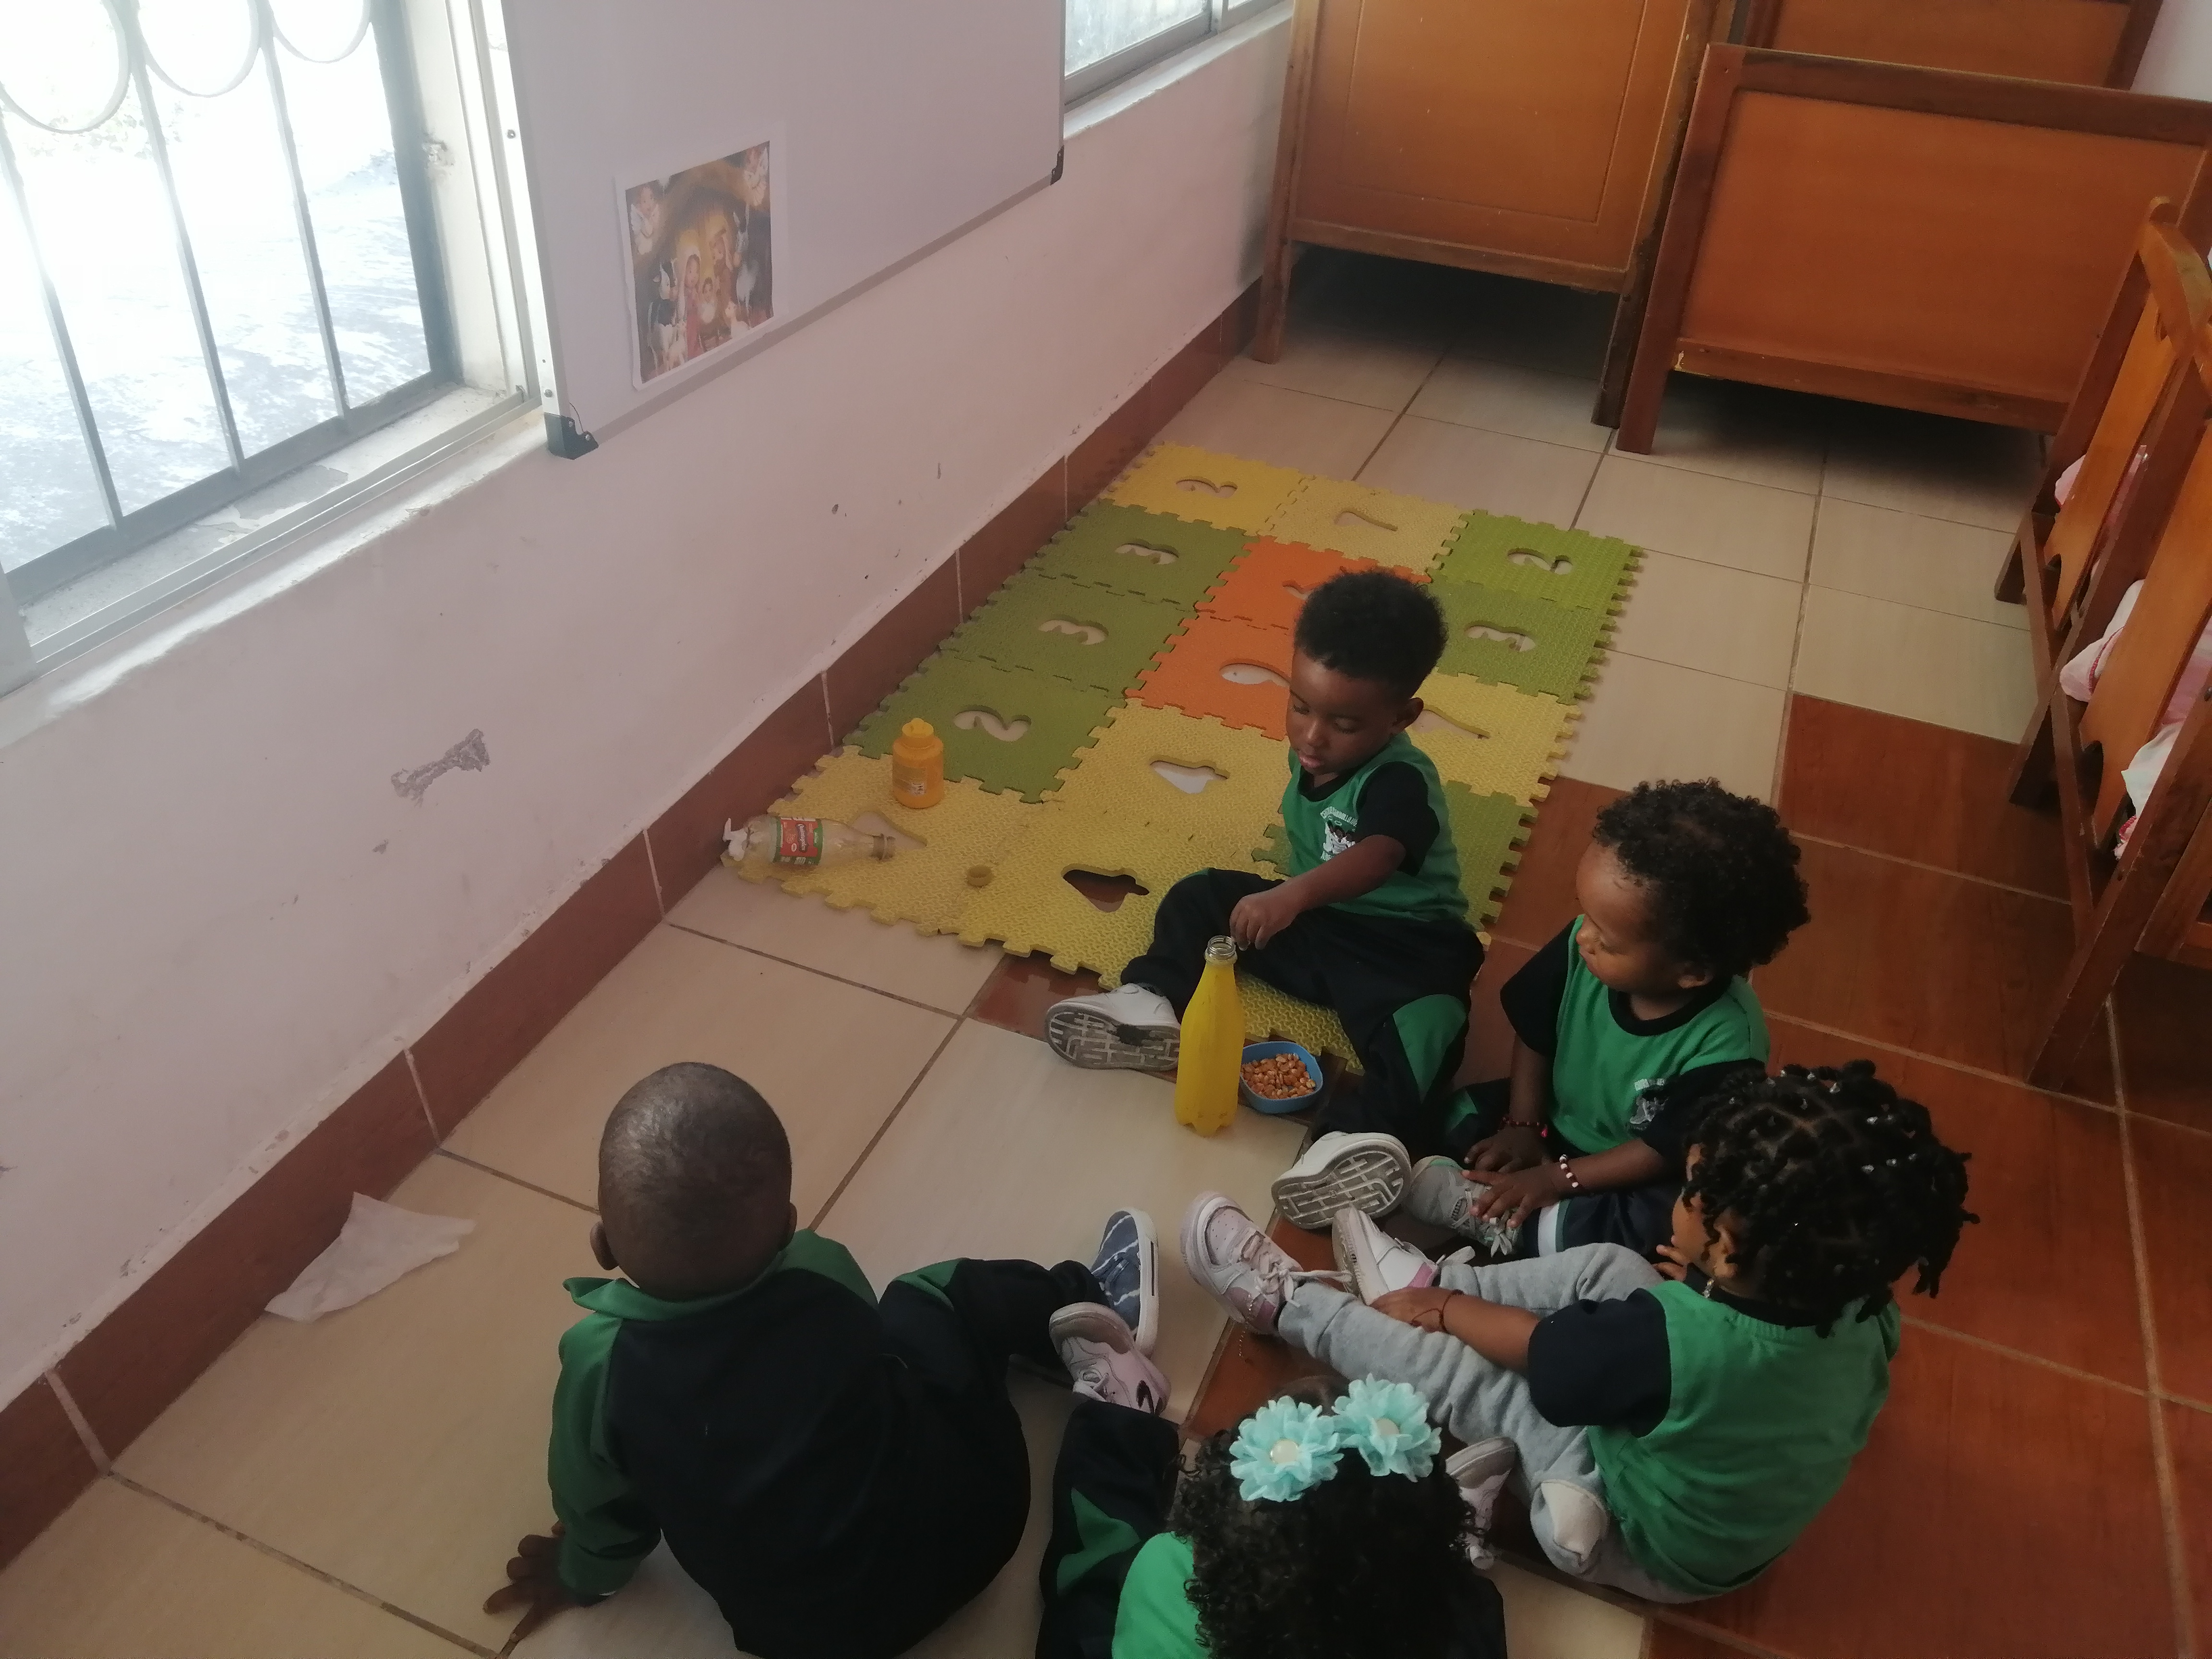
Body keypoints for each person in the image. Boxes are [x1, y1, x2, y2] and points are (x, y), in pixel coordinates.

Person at [1185, 1062, 1975, 1602]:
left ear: (1731, 1250)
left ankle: (1294, 1306)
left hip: (1641, 1537)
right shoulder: (1864, 1311)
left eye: (1691, 1193)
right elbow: (1740, 1360)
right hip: (1727, 1526)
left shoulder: (1669, 1341)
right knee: (1613, 1266)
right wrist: (1704, 1288)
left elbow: (1551, 1365)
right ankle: (1417, 1285)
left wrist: (1450, 1314)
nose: (1679, 1199)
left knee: (1475, 1379)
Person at [483, 1062, 1165, 1659]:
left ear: (602, 1246)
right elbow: (880, 1355)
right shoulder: (819, 1267)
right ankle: (1086, 1296)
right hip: (978, 1531)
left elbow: (592, 1500)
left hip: (802, 1641)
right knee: (927, 1296)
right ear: (788, 1226)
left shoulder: (598, 1364)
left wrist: (585, 1574)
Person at [1046, 571, 1482, 1157]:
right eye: (1300, 707)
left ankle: (1354, 1142)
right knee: (1200, 895)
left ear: (1402, 717)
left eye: (1344, 724)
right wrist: (1289, 902)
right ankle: (1150, 1002)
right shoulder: (1316, 747)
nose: (1313, 736)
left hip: (1408, 950)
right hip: (1320, 926)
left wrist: (1291, 895)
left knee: (1430, 1035)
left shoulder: (1400, 780)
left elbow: (1378, 856)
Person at [1274, 778, 1807, 1256]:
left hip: (1628, 1168)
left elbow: (1658, 1150)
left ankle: (1509, 1224)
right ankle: (1389, 1165)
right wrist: (1524, 1124)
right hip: (1551, 1115)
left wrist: (1557, 1180)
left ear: (1691, 972)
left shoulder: (1727, 1050)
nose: (1583, 936)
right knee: (1452, 1112)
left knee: (1662, 1224)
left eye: (1607, 938)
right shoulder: (1583, 946)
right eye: (1586, 915)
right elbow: (1535, 1033)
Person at [1039, 1369, 1507, 1659]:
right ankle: (1439, 1548)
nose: (1321, 1388)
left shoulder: (1165, 1567)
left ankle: (1122, 1404)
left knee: (1102, 1558)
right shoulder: (1432, 1619)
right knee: (1472, 1611)